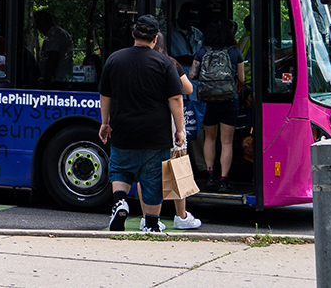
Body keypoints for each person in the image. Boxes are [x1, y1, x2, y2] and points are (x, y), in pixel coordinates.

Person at [98, 14, 186, 234]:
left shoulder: (114, 59)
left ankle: (120, 202)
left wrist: (105, 123)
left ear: (133, 34)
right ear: (155, 39)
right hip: (155, 134)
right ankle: (152, 224)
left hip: (123, 129)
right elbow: (176, 98)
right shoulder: (165, 63)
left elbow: (105, 95)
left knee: (120, 170)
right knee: (153, 178)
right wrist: (180, 129)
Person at [143, 34, 202, 230]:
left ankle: (147, 217)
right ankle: (181, 216)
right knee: (177, 166)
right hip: (170, 120)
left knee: (146, 170)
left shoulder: (140, 62)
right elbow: (187, 89)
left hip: (147, 121)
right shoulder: (170, 63)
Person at [190, 20, 245, 192]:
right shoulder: (235, 52)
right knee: (226, 142)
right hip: (229, 101)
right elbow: (242, 79)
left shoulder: (201, 52)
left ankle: (209, 176)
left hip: (207, 101)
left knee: (210, 139)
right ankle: (224, 180)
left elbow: (192, 75)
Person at [34, 9, 74, 83]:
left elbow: (53, 57)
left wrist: (47, 78)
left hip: (57, 81)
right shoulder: (59, 32)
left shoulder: (54, 34)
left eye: (39, 25)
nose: (39, 29)